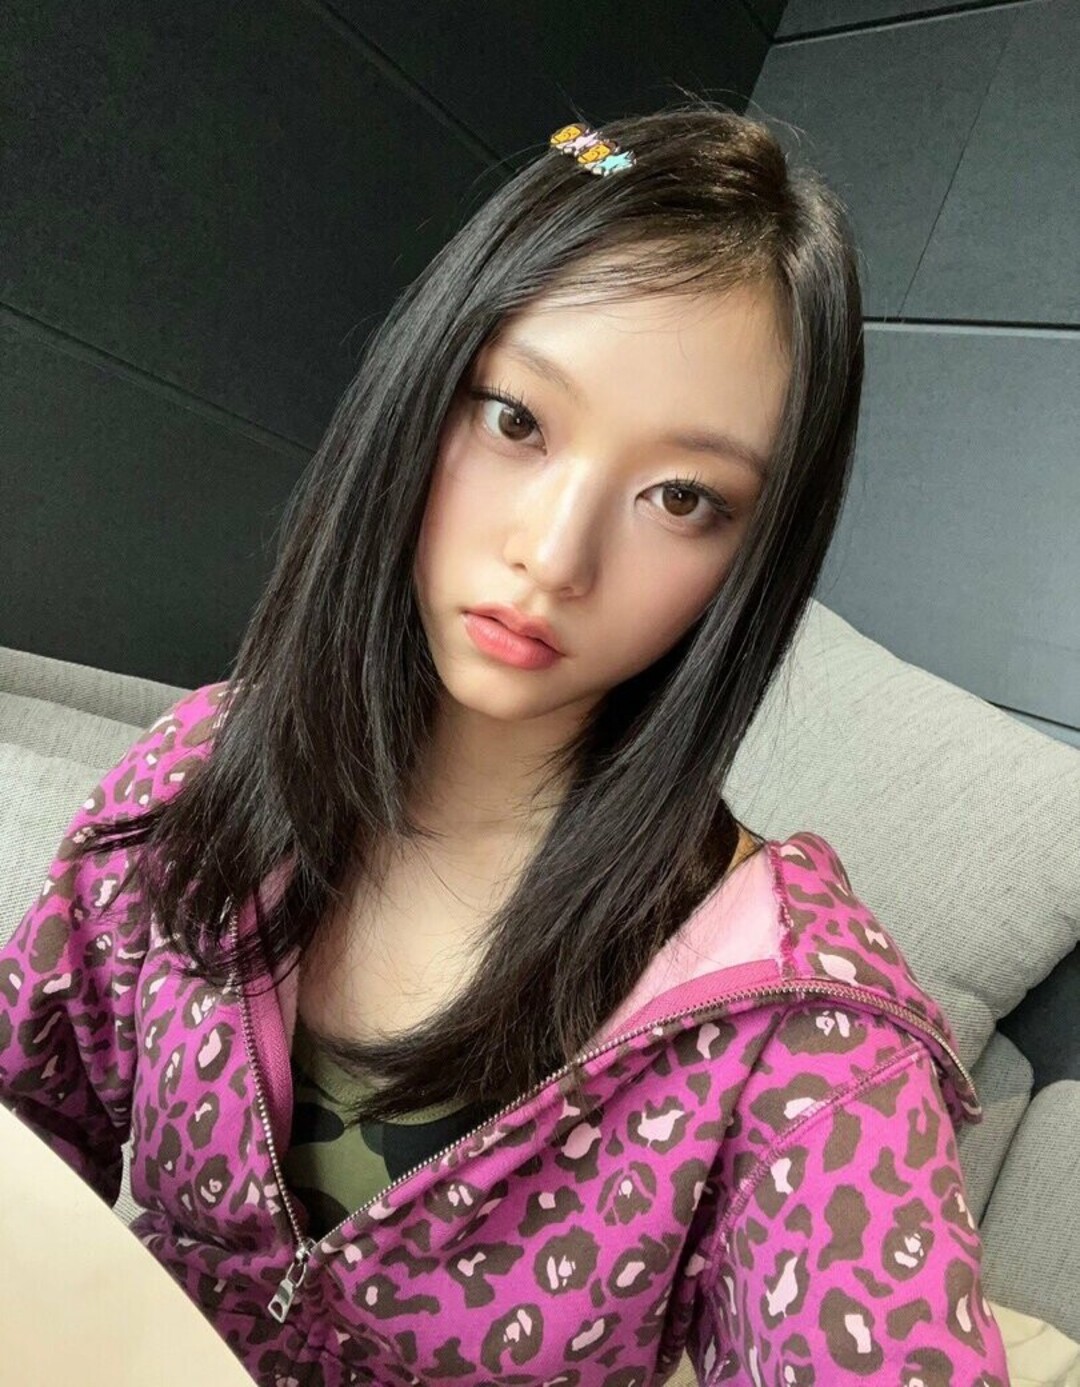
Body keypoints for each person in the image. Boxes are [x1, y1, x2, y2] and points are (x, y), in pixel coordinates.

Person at [0, 102, 1010, 1386]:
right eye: (517, 420)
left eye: (683, 497)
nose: (554, 554)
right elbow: (26, 1123)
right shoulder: (200, 766)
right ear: (424, 387)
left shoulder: (800, 1033)